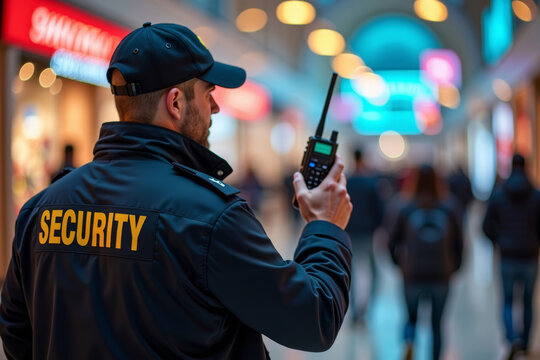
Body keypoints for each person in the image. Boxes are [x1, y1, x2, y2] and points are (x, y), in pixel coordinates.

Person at [0, 22, 353, 360]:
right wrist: (325, 226)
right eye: (208, 92)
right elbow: (313, 319)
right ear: (175, 103)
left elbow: (17, 334)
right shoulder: (209, 218)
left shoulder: (41, 209)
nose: (214, 107)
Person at [388, 164, 463, 360]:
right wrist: (455, 267)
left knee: (411, 317)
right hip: (441, 273)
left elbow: (391, 241)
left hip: (412, 273)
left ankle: (409, 342)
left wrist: (399, 264)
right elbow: (459, 242)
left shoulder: (405, 206)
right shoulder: (449, 206)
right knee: (437, 324)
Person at [482, 154, 540, 359]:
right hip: (530, 256)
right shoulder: (536, 195)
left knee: (507, 300)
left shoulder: (499, 194)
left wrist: (499, 241)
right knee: (527, 301)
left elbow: (486, 226)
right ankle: (524, 342)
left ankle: (512, 337)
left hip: (507, 256)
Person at [345, 148, 383, 325]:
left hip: (350, 233)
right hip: (367, 233)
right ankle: (366, 308)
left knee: (350, 274)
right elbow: (379, 209)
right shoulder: (371, 182)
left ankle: (353, 311)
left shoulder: (346, 182)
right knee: (374, 272)